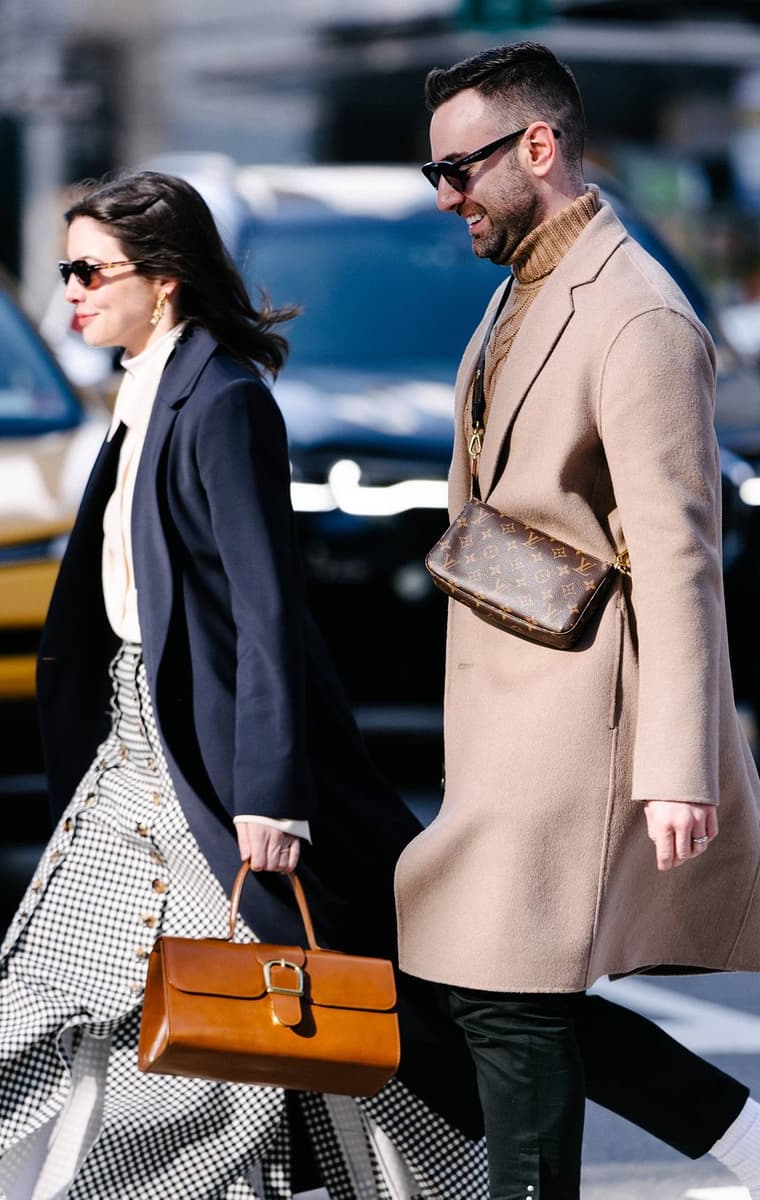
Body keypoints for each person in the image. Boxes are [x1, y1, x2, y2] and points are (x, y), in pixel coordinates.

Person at [0, 169, 489, 1199]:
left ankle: (431, 1179)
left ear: (161, 280)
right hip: (130, 747)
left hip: (199, 769)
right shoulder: (139, 385)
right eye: (64, 269)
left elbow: (266, 612)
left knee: (260, 1006)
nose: (66, 289)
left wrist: (270, 791)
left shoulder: (225, 400)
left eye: (85, 270)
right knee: (47, 982)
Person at [394, 41, 760, 1200]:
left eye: (460, 171)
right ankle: (736, 1132)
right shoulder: (523, 289)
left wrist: (680, 763)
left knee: (504, 995)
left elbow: (678, 554)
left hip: (579, 718)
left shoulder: (635, 314)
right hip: (509, 708)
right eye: (435, 175)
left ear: (537, 147)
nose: (447, 196)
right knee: (493, 996)